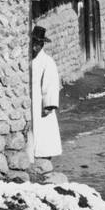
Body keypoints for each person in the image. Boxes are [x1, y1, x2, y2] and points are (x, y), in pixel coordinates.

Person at [30, 25, 61, 162]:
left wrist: (48, 104)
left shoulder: (47, 62)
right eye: (34, 43)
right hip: (32, 101)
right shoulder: (30, 61)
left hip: (41, 104)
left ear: (42, 44)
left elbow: (51, 84)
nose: (35, 47)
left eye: (38, 43)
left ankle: (45, 157)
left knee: (44, 132)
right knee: (34, 131)